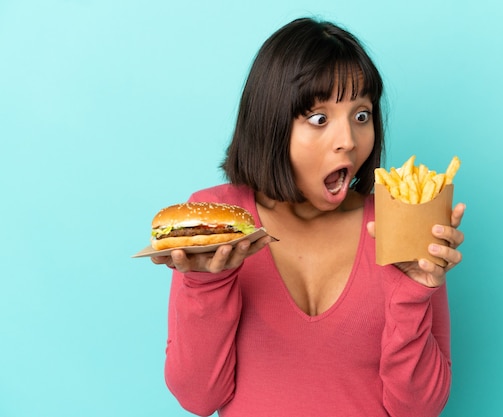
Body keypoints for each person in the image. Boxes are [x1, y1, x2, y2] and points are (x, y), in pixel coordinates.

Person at [152, 17, 465, 417]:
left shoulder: (400, 223)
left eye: (362, 115)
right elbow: (198, 398)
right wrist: (206, 285)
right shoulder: (218, 225)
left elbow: (419, 410)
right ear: (272, 124)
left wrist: (414, 293)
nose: (349, 141)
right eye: (319, 119)